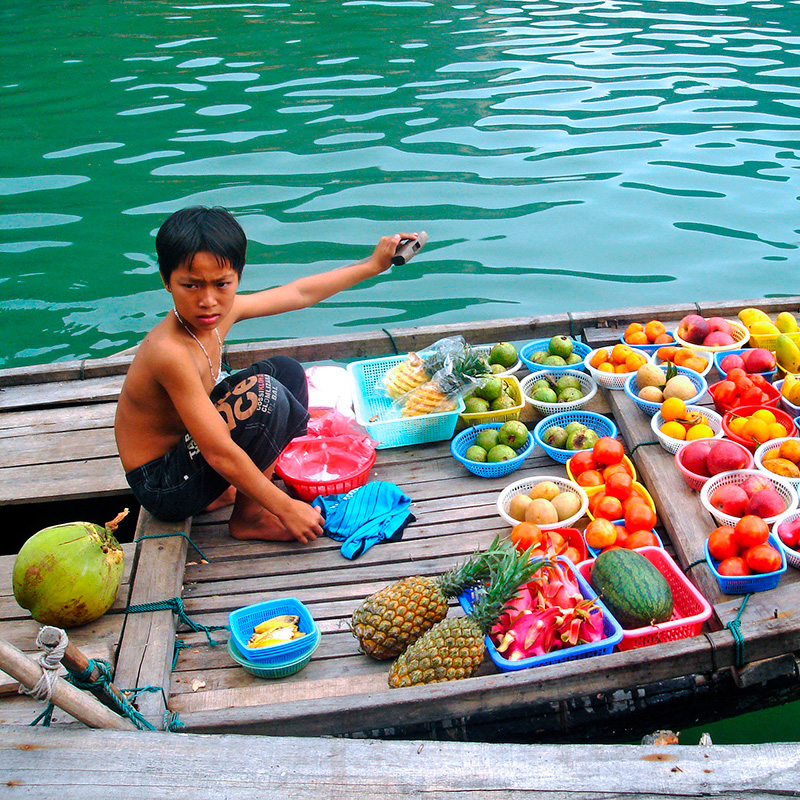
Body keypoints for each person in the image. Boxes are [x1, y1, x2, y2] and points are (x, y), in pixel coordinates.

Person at [114, 206, 418, 544]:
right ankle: (250, 517)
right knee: (264, 396)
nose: (208, 300)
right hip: (164, 486)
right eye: (191, 286)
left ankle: (228, 492)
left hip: (189, 457)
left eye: (222, 284)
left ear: (237, 278)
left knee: (285, 372)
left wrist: (372, 266)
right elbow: (217, 452)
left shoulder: (219, 313)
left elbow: (300, 293)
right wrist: (284, 507)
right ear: (166, 281)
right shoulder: (170, 351)